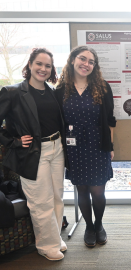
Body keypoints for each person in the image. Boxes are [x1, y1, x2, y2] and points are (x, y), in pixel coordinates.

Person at [0, 48, 68, 261]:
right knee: (41, 200)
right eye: (39, 63)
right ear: (29, 64)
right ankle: (46, 245)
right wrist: (13, 141)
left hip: (57, 148)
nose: (43, 69)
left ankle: (55, 237)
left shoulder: (52, 91)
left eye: (48, 65)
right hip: (32, 152)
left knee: (57, 196)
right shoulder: (12, 93)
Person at [55, 45, 116, 248]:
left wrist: (111, 146)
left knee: (98, 191)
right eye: (82, 59)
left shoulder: (103, 87)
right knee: (82, 190)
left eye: (91, 62)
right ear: (73, 60)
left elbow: (110, 121)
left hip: (98, 145)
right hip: (74, 148)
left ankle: (99, 225)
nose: (86, 64)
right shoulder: (61, 89)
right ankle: (89, 226)